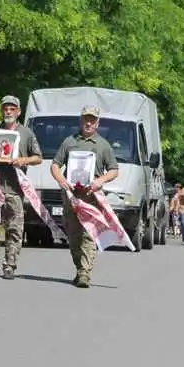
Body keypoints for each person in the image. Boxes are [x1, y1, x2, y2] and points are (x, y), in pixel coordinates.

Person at [49, 105, 119, 288]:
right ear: (81, 120)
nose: (89, 122)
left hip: (91, 196)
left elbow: (114, 170)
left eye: (92, 119)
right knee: (73, 235)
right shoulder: (69, 141)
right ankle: (79, 266)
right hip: (71, 196)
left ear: (97, 122)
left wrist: (100, 180)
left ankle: (84, 273)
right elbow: (55, 165)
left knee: (88, 234)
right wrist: (61, 180)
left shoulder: (103, 145)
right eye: (86, 119)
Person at [0, 95, 42, 280]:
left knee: (14, 229)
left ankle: (10, 265)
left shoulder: (26, 134)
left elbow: (38, 157)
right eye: (6, 108)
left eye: (12, 109)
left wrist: (23, 160)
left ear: (18, 112)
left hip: (15, 189)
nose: (8, 111)